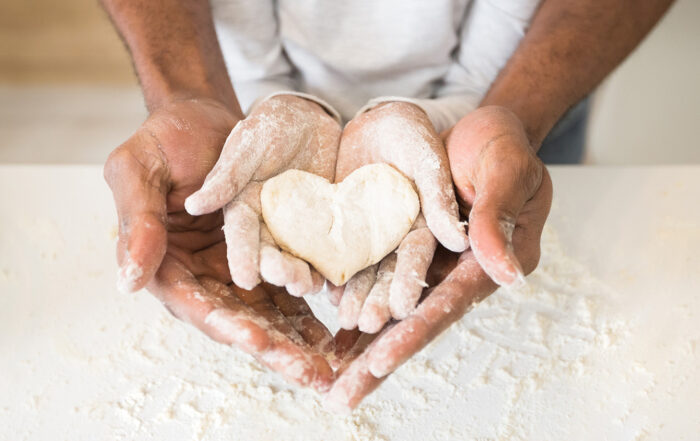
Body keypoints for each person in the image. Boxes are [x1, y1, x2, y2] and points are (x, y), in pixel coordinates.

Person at [101, 0, 674, 410]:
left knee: (510, 194)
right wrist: (198, 94)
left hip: (523, 77)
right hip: (231, 89)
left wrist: (509, 114)